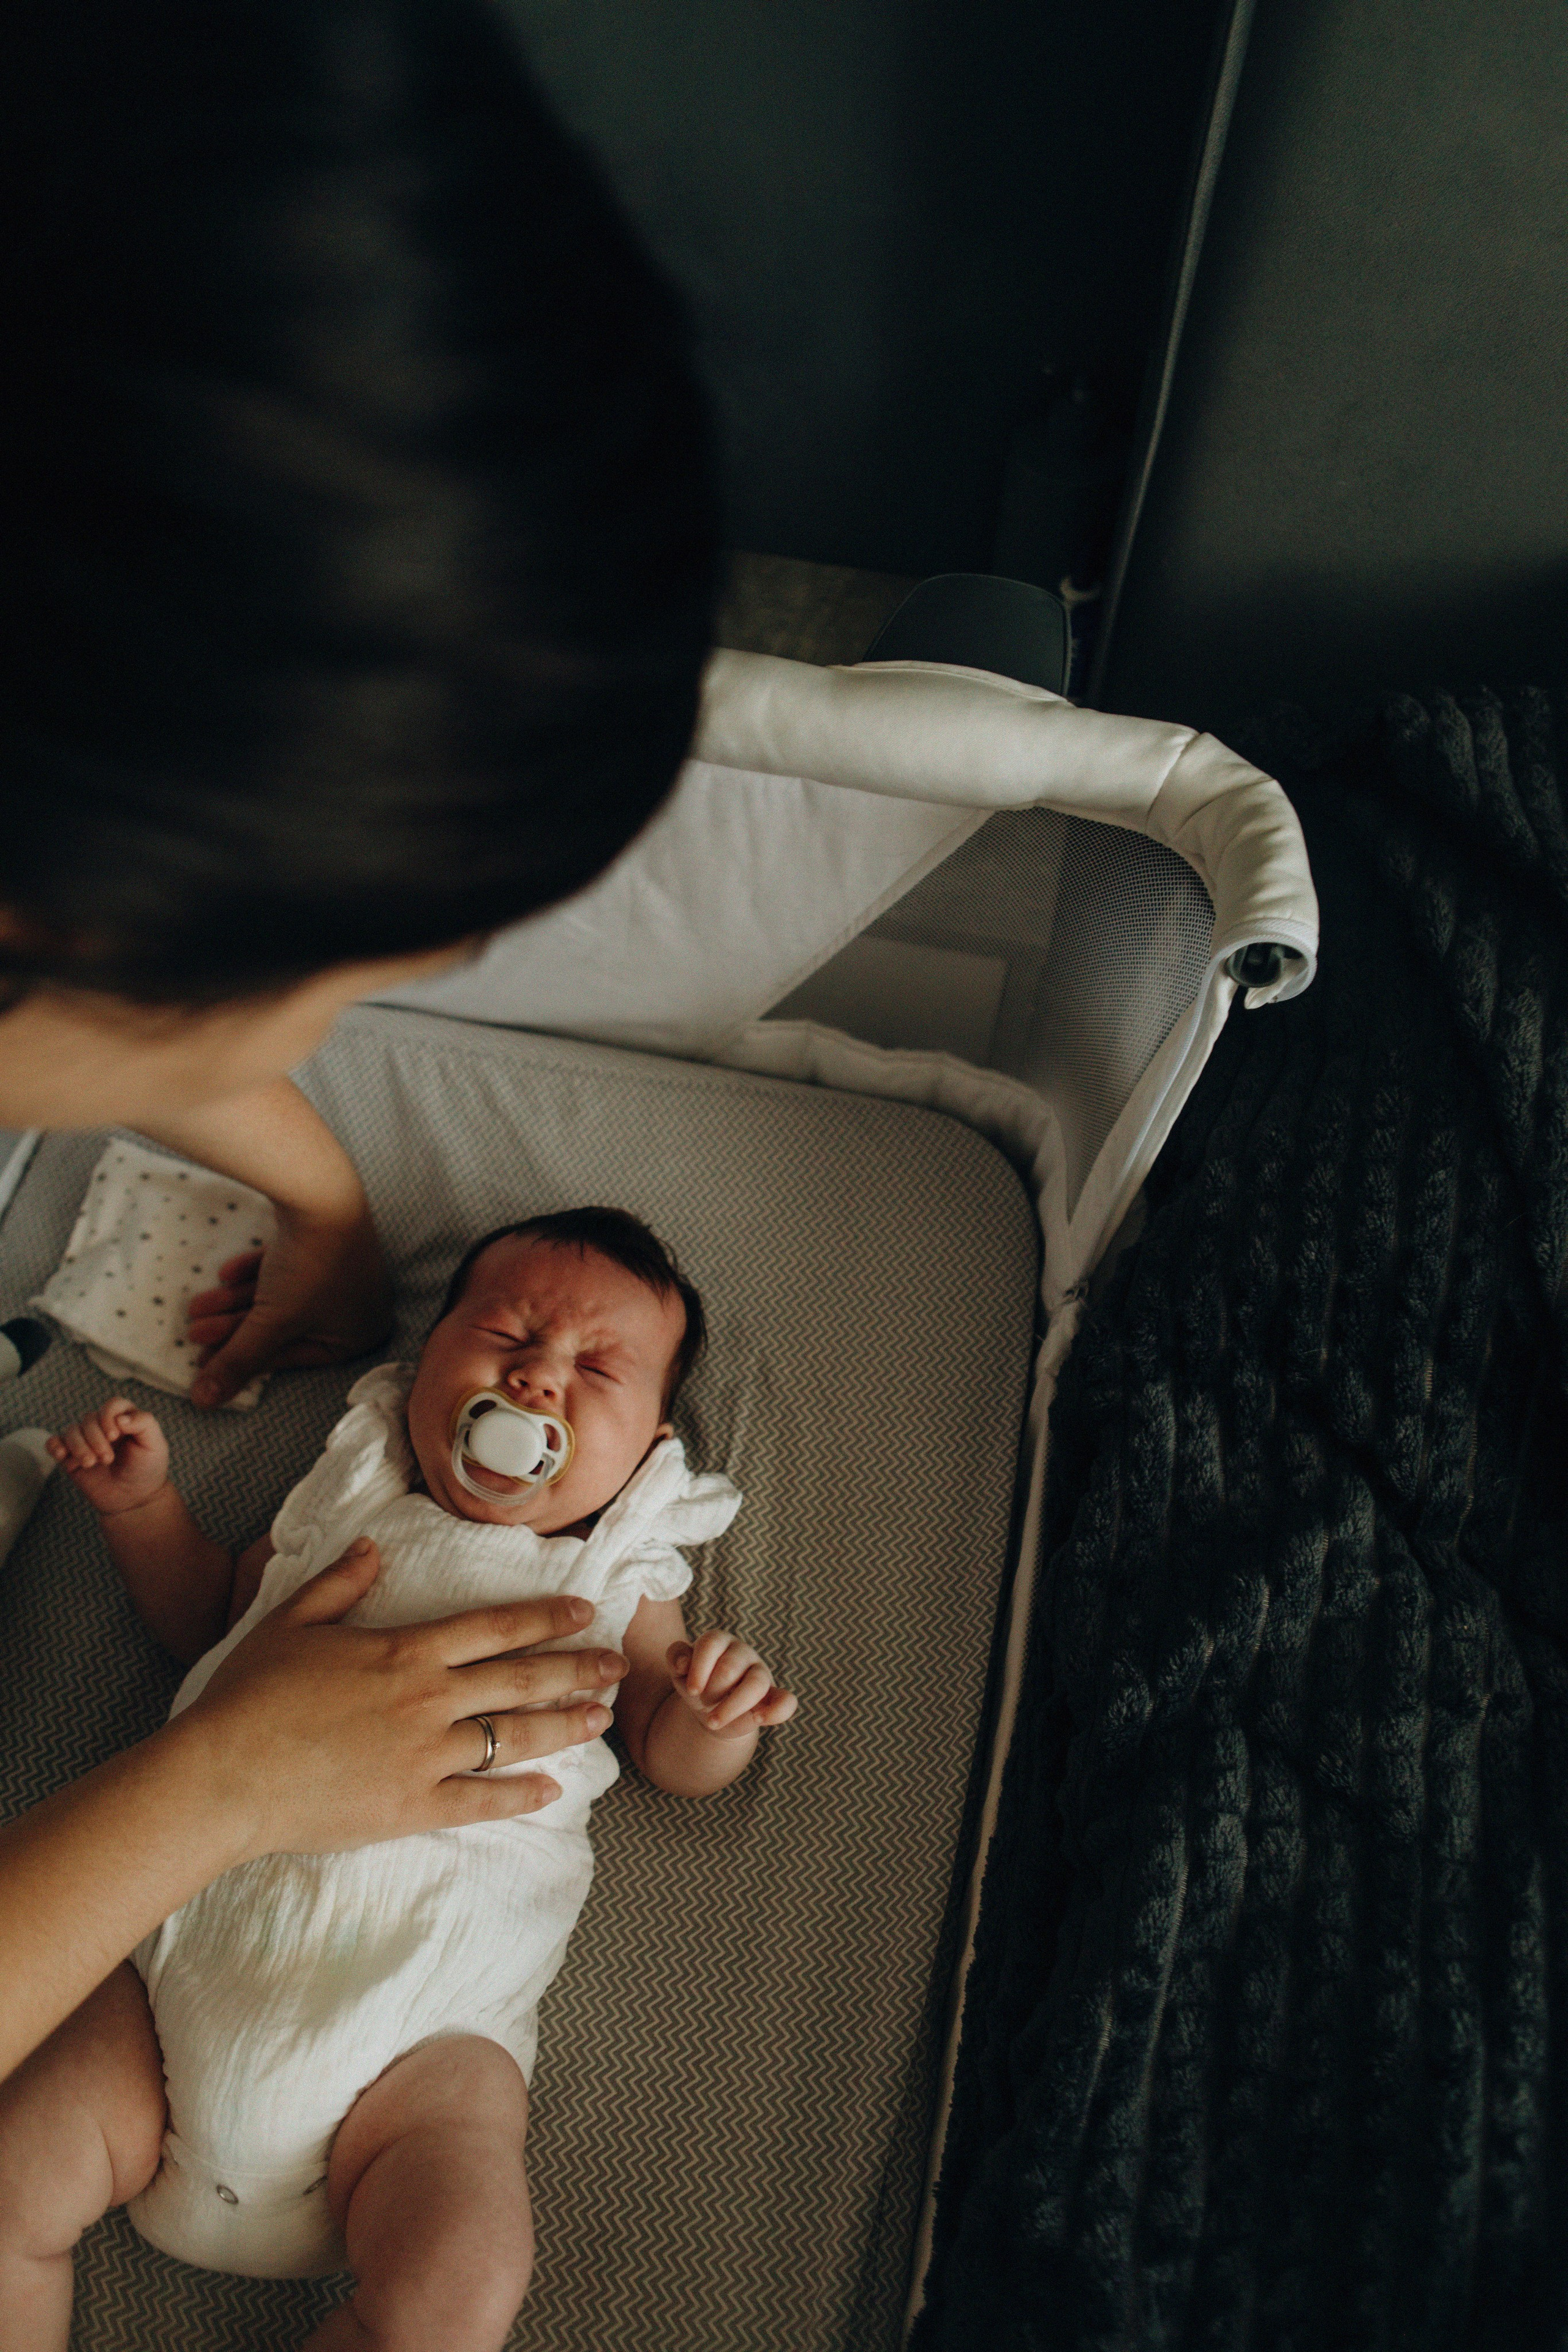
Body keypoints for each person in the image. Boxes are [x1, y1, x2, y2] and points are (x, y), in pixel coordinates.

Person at [0, 0, 723, 2089]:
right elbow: (208, 1589)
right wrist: (212, 1785)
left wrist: (317, 1186)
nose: (524, 1379)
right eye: (356, 961)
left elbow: (670, 1722)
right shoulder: (344, 1486)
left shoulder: (628, 1547)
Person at [0, 1210, 796, 2349]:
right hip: (178, 1967)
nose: (536, 1373)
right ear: (424, 1368)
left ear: (652, 1446)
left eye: (597, 1367)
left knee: (460, 2287)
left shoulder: (614, 1568)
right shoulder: (348, 1495)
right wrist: (143, 1513)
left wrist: (717, 1715)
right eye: (506, 1331)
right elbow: (213, 1627)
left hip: (422, 2037)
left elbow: (669, 1751)